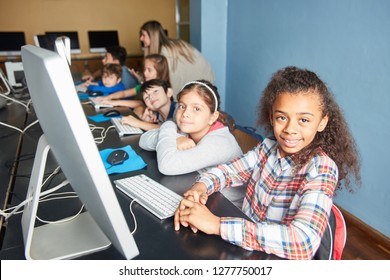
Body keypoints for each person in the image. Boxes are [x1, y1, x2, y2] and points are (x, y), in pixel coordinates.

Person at [174, 67, 361, 260]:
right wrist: (201, 186)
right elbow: (229, 171)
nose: (290, 129)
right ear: (271, 117)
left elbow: (302, 242)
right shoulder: (267, 149)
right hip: (245, 248)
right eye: (282, 117)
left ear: (322, 122)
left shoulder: (322, 168)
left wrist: (216, 225)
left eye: (303, 120)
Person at [139, 80, 242, 176]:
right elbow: (143, 140)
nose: (185, 114)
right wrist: (176, 138)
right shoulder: (190, 130)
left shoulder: (219, 143)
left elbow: (167, 165)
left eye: (196, 108)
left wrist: (168, 125)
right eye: (182, 106)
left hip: (223, 195)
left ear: (213, 117)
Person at [140, 20, 215, 99]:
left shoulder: (165, 51)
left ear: (152, 35)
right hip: (204, 79)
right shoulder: (171, 44)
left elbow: (174, 79)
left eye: (143, 35)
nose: (141, 38)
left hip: (202, 81)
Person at [95, 54, 170, 110]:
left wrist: (113, 102)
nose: (145, 73)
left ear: (160, 72)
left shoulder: (163, 90)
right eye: (144, 69)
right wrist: (107, 97)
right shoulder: (143, 86)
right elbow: (124, 93)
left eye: (149, 70)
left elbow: (141, 104)